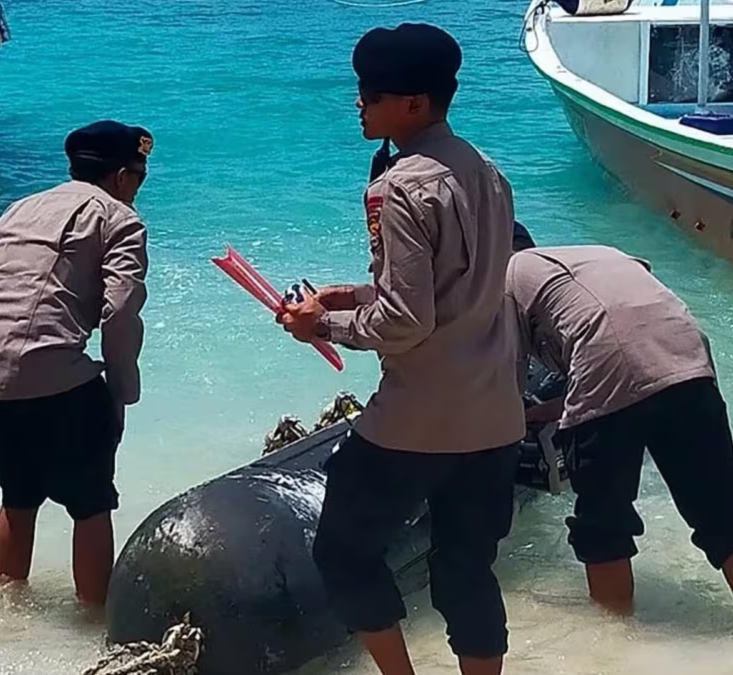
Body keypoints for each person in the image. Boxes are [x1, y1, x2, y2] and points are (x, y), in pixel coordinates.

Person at [278, 23, 527, 675]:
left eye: (370, 93)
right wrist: (347, 293)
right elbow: (460, 287)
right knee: (466, 567)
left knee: (343, 551)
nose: (358, 103)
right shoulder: (488, 172)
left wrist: (320, 327)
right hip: (495, 414)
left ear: (413, 104)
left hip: (417, 420)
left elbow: (406, 320)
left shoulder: (397, 186)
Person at [506, 243, 733, 624]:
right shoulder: (597, 255)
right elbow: (631, 345)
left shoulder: (505, 279)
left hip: (606, 356)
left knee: (603, 523)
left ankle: (615, 650)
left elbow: (504, 386)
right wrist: (545, 412)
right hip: (686, 352)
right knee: (724, 510)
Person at [0, 120, 152, 608]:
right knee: (91, 505)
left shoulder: (18, 210)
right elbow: (121, 310)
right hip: (50, 376)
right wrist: (121, 391)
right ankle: (91, 623)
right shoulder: (119, 219)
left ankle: (9, 618)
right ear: (123, 177)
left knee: (17, 497)